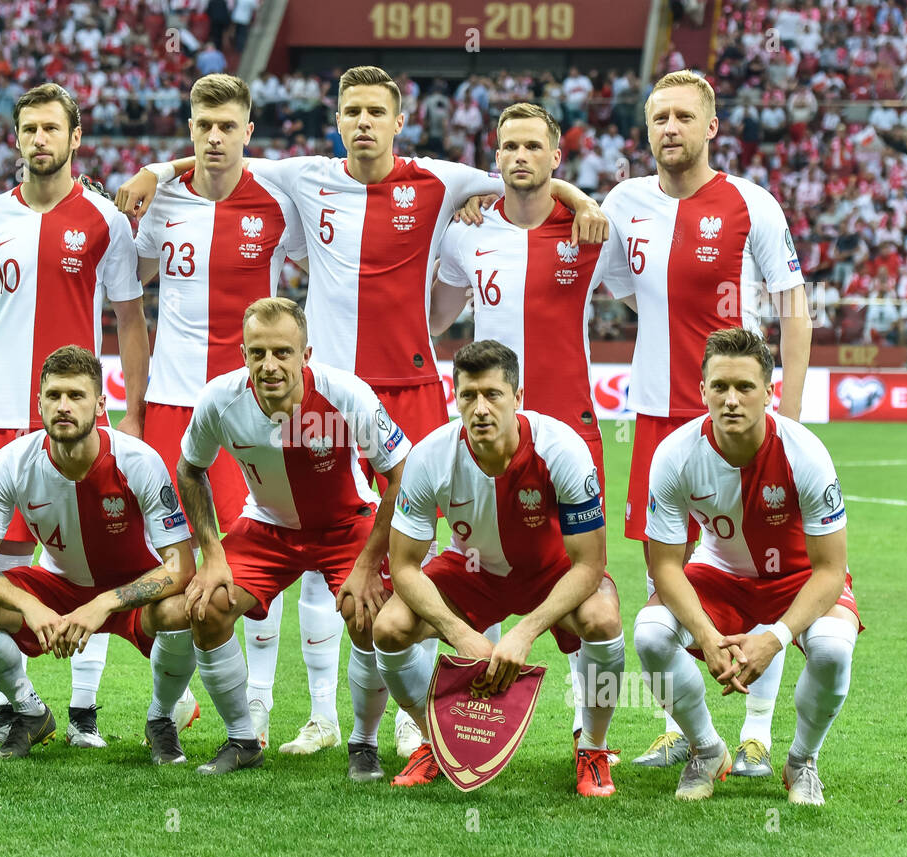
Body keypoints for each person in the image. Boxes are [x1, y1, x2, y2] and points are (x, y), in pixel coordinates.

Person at [117, 63, 608, 760]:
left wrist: (577, 195)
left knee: (413, 552)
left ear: (398, 120)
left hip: (409, 388)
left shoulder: (438, 181)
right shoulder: (305, 174)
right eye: (352, 111)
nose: (364, 122)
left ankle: (415, 717)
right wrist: (152, 170)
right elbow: (222, 149)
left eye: (376, 111)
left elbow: (519, 175)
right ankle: (303, 713)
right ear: (338, 119)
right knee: (305, 528)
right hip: (320, 392)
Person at [598, 70, 813, 773]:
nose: (669, 128)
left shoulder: (753, 203)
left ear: (710, 127)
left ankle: (754, 732)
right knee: (665, 576)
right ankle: (678, 728)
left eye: (684, 117)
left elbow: (792, 308)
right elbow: (623, 287)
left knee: (758, 568)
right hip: (658, 417)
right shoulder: (625, 202)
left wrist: (795, 417)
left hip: (740, 423)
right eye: (658, 116)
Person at [0, 83, 154, 750]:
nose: (38, 139)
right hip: (2, 412)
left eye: (50, 128)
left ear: (75, 137)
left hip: (80, 418)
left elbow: (130, 319)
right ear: (17, 137)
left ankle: (84, 711)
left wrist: (134, 413)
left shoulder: (105, 221)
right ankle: (16, 703)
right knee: (1, 558)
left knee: (87, 559)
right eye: (28, 128)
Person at [133, 73, 343, 755]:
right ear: (189, 130)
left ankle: (263, 703)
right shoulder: (159, 200)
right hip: (170, 401)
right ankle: (170, 708)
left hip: (256, 408)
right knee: (171, 565)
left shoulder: (281, 198)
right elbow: (127, 286)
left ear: (249, 132)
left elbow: (332, 265)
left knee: (260, 556)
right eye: (204, 126)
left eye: (229, 126)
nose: (216, 137)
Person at [431, 103, 619, 759]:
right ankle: (450, 733)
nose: (519, 156)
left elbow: (643, 282)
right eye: (508, 145)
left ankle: (589, 741)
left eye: (533, 146)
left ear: (554, 156)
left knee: (584, 592)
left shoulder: (590, 229)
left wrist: (578, 198)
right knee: (477, 567)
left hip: (571, 430)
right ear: (495, 153)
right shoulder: (466, 233)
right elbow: (437, 316)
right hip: (487, 436)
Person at [372, 340, 623, 794]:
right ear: (456, 397)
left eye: (493, 394)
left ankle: (593, 746)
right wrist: (459, 633)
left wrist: (525, 632)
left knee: (602, 620)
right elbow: (404, 566)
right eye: (468, 396)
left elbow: (590, 564)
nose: (480, 409)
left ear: (518, 397)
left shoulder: (562, 448)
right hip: (473, 574)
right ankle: (435, 740)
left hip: (553, 574)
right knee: (388, 628)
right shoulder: (431, 456)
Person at [176, 297, 410, 778]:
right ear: (242, 354)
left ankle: (363, 744)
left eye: (283, 352)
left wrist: (368, 563)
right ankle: (242, 739)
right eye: (257, 353)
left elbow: (401, 476)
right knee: (206, 606)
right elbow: (189, 470)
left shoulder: (347, 395)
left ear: (306, 355)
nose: (269, 365)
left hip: (347, 525)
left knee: (367, 616)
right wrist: (212, 552)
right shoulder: (219, 400)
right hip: (267, 527)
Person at [634, 328, 860, 803]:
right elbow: (666, 566)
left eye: (745, 388)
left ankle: (802, 761)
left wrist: (774, 639)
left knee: (834, 650)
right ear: (702, 392)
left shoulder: (807, 453)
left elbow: (830, 571)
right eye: (719, 387)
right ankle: (706, 749)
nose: (731, 400)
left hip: (798, 579)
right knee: (650, 633)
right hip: (719, 573)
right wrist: (707, 636)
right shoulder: (674, 455)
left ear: (769, 392)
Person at [0, 346, 199, 761]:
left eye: (77, 396)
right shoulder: (13, 461)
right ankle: (30, 712)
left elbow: (181, 566)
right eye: (54, 396)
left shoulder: (139, 460)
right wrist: (30, 606)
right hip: (58, 586)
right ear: (39, 402)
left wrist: (104, 603)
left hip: (130, 589)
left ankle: (161, 719)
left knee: (182, 611)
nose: (63, 406)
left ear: (101, 404)